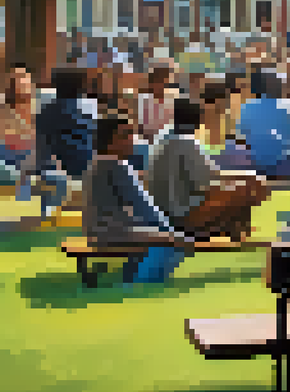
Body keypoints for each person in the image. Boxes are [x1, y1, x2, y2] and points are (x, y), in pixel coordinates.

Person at [83, 113, 192, 285]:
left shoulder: (96, 164)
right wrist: (170, 232)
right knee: (176, 241)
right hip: (113, 233)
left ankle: (133, 275)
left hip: (97, 231)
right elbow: (145, 208)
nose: (131, 139)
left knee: (158, 237)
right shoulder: (117, 166)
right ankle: (141, 282)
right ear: (110, 142)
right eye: (125, 135)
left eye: (131, 133)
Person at [144, 99, 222, 234]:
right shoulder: (187, 142)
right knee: (245, 188)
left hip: (160, 212)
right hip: (181, 214)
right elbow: (207, 182)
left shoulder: (160, 139)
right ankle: (222, 231)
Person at [35, 68, 97, 213]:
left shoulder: (45, 113)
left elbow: (41, 145)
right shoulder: (86, 114)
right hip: (84, 168)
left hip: (53, 169)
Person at [235, 69, 290, 179]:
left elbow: (242, 137)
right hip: (284, 165)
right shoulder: (289, 106)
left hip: (255, 164)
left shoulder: (246, 107)